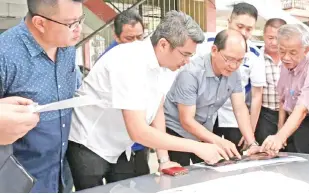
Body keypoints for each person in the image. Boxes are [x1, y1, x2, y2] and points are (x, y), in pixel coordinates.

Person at [67, 11, 226, 191]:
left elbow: (157, 108)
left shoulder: (166, 66)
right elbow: (139, 132)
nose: (187, 62)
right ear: (164, 44)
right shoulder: (130, 61)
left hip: (119, 146)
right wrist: (196, 147)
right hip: (90, 143)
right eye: (185, 54)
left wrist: (164, 160)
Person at [0, 0, 84, 192]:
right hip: (21, 181)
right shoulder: (5, 55)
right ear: (40, 23)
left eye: (80, 20)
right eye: (71, 23)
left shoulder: (67, 46)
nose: (78, 29)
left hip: (61, 173)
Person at [164, 29, 261, 166]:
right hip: (177, 133)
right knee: (181, 178)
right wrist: (219, 141)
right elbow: (186, 120)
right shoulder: (191, 73)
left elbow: (240, 108)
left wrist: (252, 143)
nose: (233, 66)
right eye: (229, 59)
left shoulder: (234, 73)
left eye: (239, 60)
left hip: (204, 131)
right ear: (214, 50)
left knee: (209, 173)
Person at [75, 9, 150, 183]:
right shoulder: (112, 61)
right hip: (101, 142)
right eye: (129, 39)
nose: (135, 43)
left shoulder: (144, 57)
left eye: (140, 37)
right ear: (116, 36)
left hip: (133, 142)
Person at [261, 24, 309, 156]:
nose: (286, 57)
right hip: (290, 123)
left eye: (293, 52)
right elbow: (283, 100)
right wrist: (280, 129)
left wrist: (280, 137)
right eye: (282, 51)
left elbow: (302, 110)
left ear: (306, 50)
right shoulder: (286, 65)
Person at [206, 2, 266, 147]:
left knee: (233, 160)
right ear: (229, 22)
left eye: (249, 29)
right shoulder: (206, 43)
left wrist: (249, 132)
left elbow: (257, 95)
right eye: (239, 27)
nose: (243, 32)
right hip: (205, 116)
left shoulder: (255, 55)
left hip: (234, 119)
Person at [255, 18, 287, 144]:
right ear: (264, 36)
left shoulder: (290, 59)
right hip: (265, 115)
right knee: (265, 151)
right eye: (270, 37)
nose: (274, 42)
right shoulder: (256, 58)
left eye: (277, 38)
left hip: (289, 115)